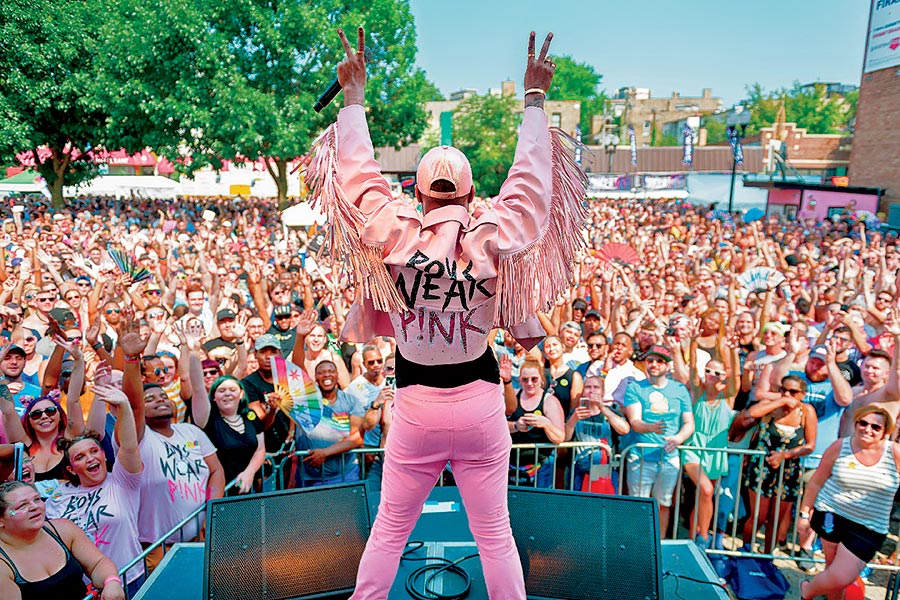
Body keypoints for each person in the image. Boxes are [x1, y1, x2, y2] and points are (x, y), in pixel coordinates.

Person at [309, 28, 583, 599]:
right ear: (470, 191)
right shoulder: (492, 232)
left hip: (415, 407)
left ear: (417, 191)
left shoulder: (396, 231)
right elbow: (531, 186)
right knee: (494, 536)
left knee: (388, 533)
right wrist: (534, 101)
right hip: (482, 406)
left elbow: (358, 180)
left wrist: (354, 101)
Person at [44, 384, 144, 595]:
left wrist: (124, 405)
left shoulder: (122, 481)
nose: (90, 458)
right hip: (83, 588)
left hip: (128, 578)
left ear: (104, 455)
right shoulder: (59, 496)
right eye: (80, 457)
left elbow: (129, 446)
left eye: (94, 451)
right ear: (71, 468)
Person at [797, 405, 900, 600]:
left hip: (870, 526)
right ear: (856, 423)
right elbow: (817, 481)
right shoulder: (840, 446)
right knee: (832, 569)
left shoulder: (894, 453)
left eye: (875, 427)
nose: (868, 429)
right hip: (831, 514)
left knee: (842, 576)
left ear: (885, 431)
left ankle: (807, 590)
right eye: (863, 423)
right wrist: (803, 515)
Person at [0, 480, 125, 600]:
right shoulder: (2, 565)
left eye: (37, 499)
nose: (34, 507)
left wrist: (111, 581)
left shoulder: (63, 529)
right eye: (22, 505)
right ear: (1, 520)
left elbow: (97, 563)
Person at [623, 344, 695, 538]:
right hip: (641, 457)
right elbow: (635, 422)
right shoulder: (635, 387)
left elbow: (689, 423)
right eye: (650, 360)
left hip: (669, 457)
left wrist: (678, 438)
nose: (654, 364)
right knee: (638, 505)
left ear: (668, 366)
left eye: (659, 361)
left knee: (664, 503)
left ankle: (660, 543)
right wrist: (651, 427)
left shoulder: (679, 389)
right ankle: (637, 544)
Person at [742, 374, 818, 554]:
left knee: (776, 518)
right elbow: (751, 413)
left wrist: (784, 455)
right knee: (758, 516)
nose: (787, 394)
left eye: (793, 391)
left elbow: (810, 445)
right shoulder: (770, 407)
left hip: (789, 470)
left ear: (802, 394)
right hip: (762, 467)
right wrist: (779, 402)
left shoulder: (806, 411)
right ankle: (744, 552)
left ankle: (767, 556)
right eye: (783, 390)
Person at [294, 360, 365, 486]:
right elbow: (297, 363)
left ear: (337, 375)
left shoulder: (351, 401)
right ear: (315, 378)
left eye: (331, 371)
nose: (327, 375)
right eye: (321, 372)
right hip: (310, 478)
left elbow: (357, 438)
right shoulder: (306, 402)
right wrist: (300, 339)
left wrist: (325, 453)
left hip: (345, 475)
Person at [193, 375, 266, 495]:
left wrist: (249, 472)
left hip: (250, 487)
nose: (227, 394)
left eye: (232, 390)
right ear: (214, 397)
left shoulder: (250, 416)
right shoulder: (208, 421)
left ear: (241, 394)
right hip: (221, 491)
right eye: (221, 391)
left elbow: (260, 449)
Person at [565, 375, 630, 493]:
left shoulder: (611, 412)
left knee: (604, 504)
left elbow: (624, 429)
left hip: (605, 468)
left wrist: (603, 408)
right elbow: (565, 438)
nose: (592, 391)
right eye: (588, 387)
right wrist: (573, 419)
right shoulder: (576, 412)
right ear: (583, 392)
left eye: (596, 387)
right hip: (579, 469)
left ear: (603, 392)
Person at [507, 358, 565, 488]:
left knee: (539, 506)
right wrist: (516, 426)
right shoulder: (513, 398)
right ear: (520, 380)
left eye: (534, 379)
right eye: (525, 379)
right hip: (512, 465)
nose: (529, 383)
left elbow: (559, 437)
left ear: (541, 379)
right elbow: (498, 426)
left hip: (541, 465)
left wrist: (546, 424)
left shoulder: (549, 401)